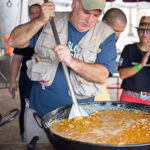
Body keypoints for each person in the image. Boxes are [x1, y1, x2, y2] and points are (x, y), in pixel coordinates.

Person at [8, 0, 117, 143]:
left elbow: (102, 76)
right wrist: (40, 20)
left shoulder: (106, 34)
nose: (89, 20)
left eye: (96, 15)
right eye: (86, 12)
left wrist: (71, 61)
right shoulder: (49, 22)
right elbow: (13, 41)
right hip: (39, 114)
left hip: (78, 119)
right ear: (74, 4)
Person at [118, 16, 150, 107]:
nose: (144, 33)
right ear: (137, 32)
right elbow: (122, 75)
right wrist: (141, 64)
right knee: (126, 121)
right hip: (129, 97)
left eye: (149, 31)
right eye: (141, 30)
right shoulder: (128, 49)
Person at [8, 3, 41, 143]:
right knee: (27, 108)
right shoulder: (24, 33)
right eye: (32, 13)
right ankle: (24, 136)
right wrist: (12, 81)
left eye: (37, 12)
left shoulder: (49, 32)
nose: (34, 15)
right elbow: (16, 59)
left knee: (43, 108)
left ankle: (44, 137)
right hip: (27, 79)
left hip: (45, 79)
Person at [95, 8, 127, 101]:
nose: (118, 35)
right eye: (115, 30)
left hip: (99, 92)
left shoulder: (110, 45)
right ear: (104, 23)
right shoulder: (88, 37)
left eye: (120, 32)